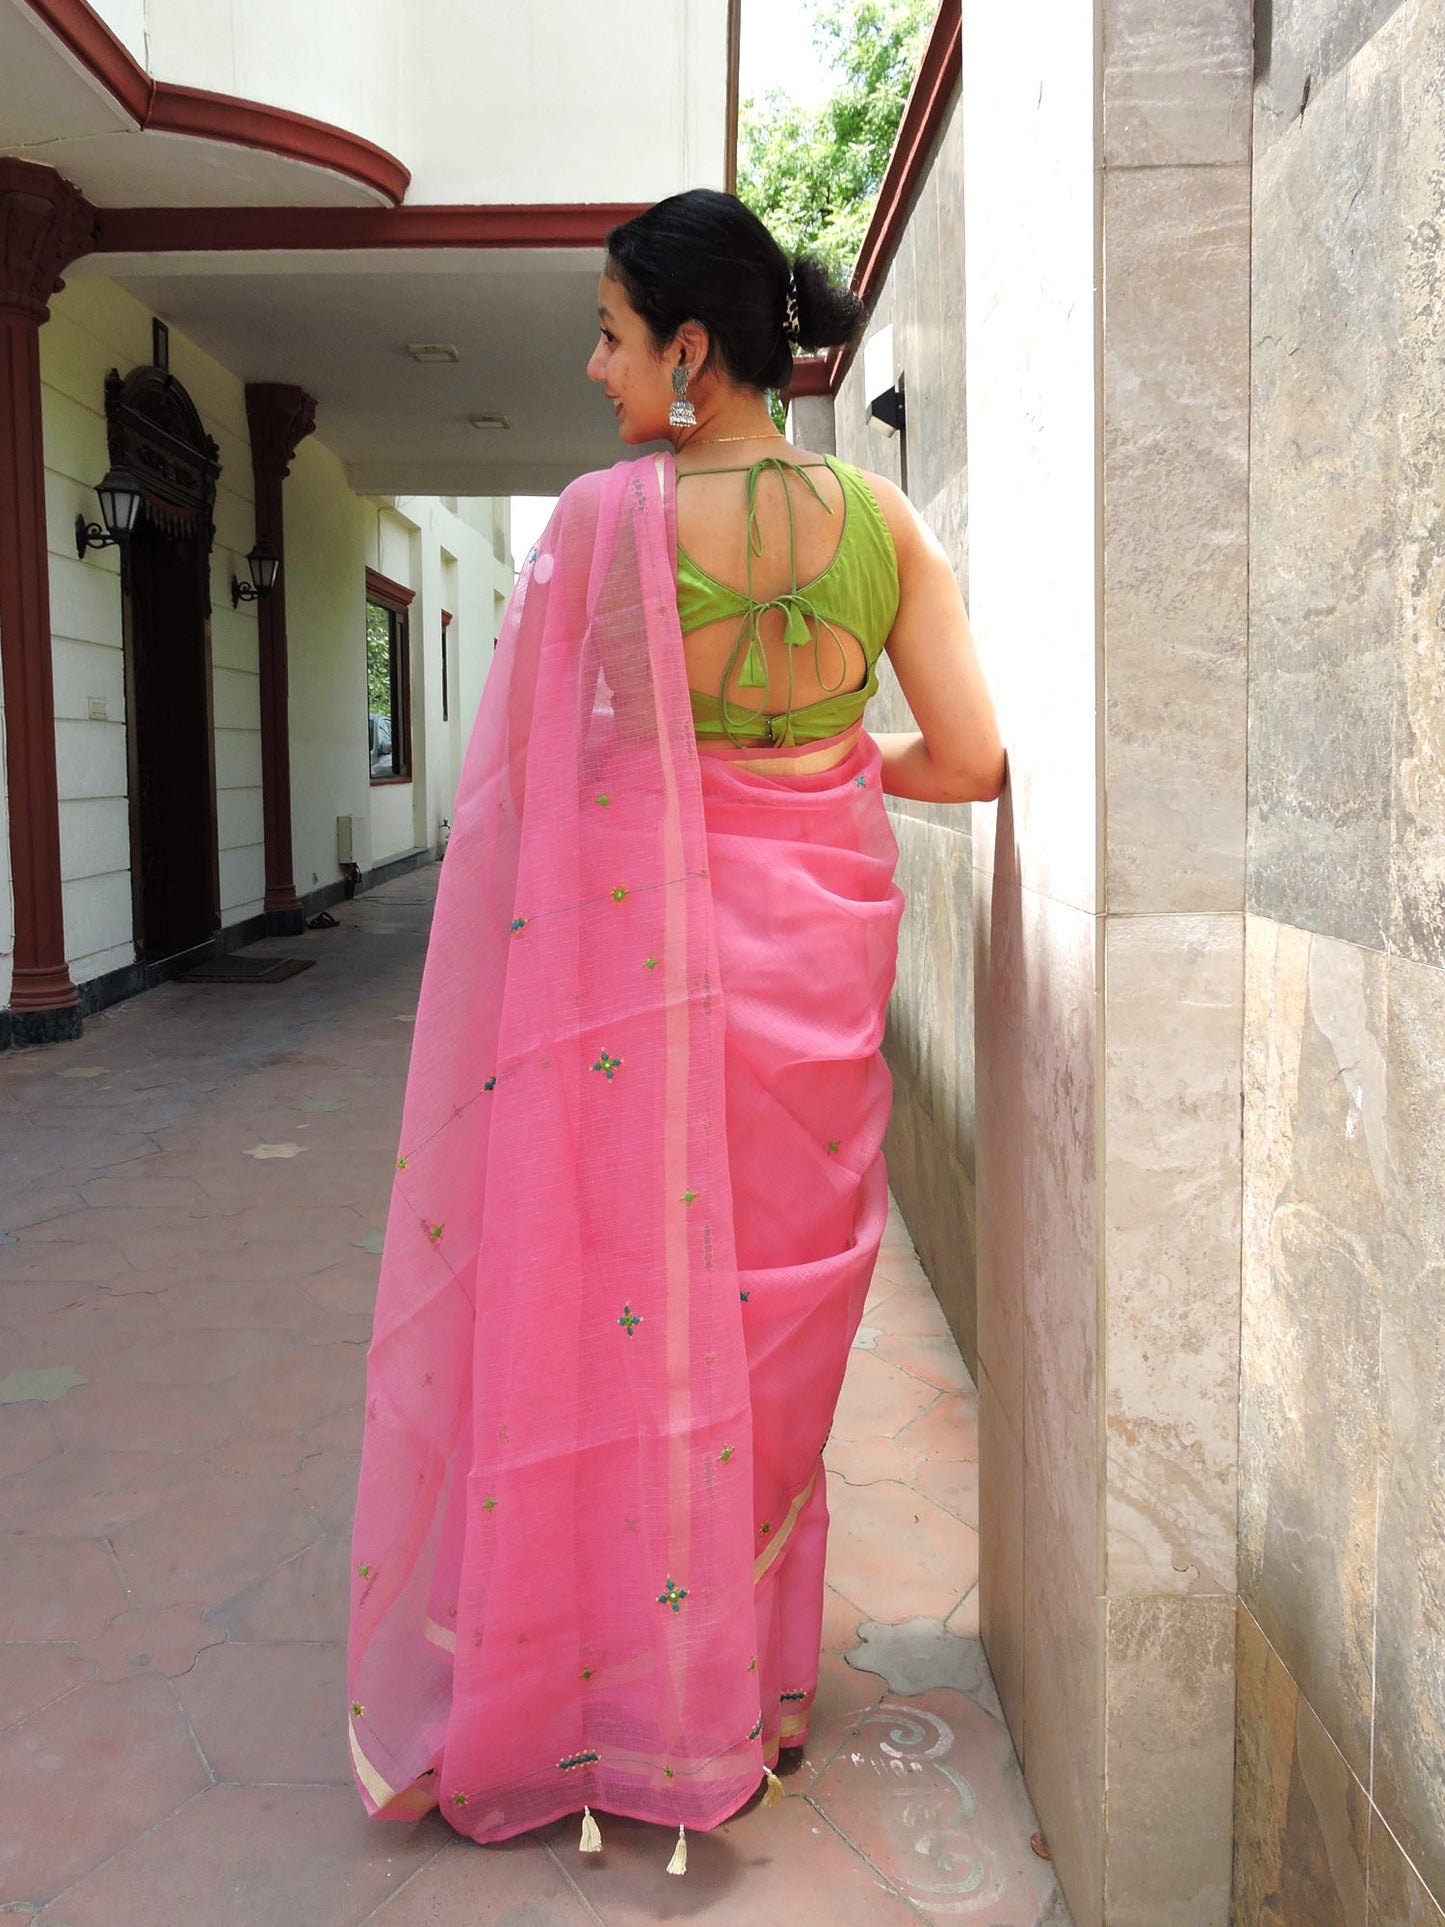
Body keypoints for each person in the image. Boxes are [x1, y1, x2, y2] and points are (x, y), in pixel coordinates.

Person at [347, 188, 1004, 1876]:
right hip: (818, 994)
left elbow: (545, 795)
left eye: (612, 334)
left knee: (634, 1321)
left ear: (691, 352)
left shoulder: (591, 528)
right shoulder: (882, 522)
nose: (592, 364)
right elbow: (971, 761)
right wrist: (826, 781)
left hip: (642, 1001)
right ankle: (760, 1704)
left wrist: (678, 825)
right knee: (771, 1343)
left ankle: (620, 1687)